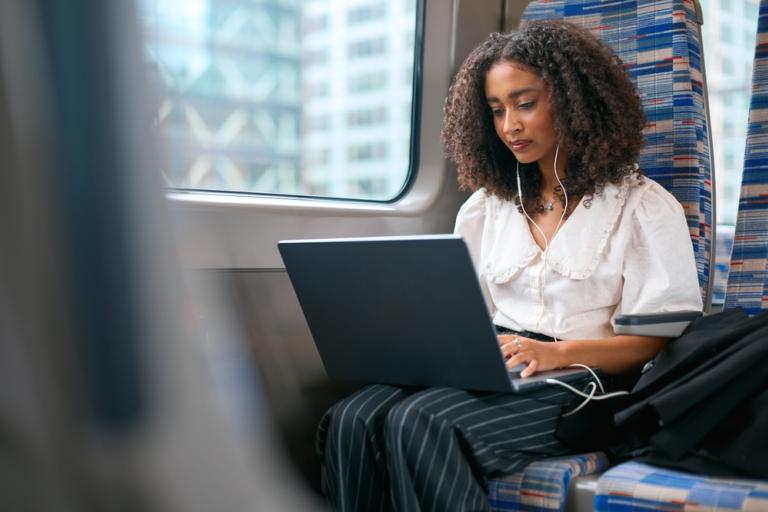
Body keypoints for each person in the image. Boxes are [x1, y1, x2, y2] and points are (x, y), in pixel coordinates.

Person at [316, 20, 703, 511]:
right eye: (496, 111)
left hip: (588, 382)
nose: (509, 127)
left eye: (525, 104)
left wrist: (553, 354)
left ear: (573, 99)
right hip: (502, 365)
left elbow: (656, 342)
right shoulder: (484, 208)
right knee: (353, 416)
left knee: (424, 421)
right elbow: (463, 315)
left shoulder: (642, 206)